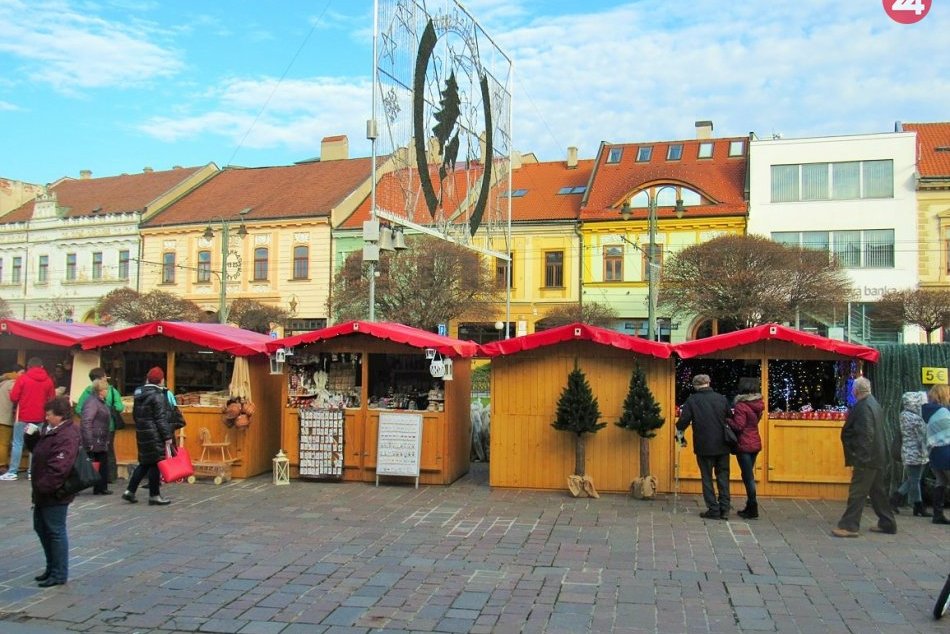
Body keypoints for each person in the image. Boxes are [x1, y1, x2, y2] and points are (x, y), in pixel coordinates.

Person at [24, 397, 80, 587]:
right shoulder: (50, 431)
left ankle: (59, 573)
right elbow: (40, 451)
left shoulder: (67, 435)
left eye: (49, 414)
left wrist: (44, 486)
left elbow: (60, 466)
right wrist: (31, 438)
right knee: (41, 528)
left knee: (55, 531)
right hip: (43, 490)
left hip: (55, 492)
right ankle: (51, 568)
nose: (46, 417)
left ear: (60, 415)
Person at [832, 376, 897, 537]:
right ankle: (887, 522)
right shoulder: (873, 404)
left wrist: (860, 457)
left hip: (867, 458)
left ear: (855, 391)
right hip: (877, 455)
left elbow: (866, 433)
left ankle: (849, 526)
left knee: (858, 491)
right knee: (877, 492)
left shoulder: (863, 407)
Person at [675, 374, 732, 520]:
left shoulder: (692, 400)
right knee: (723, 476)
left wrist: (679, 435)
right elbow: (729, 417)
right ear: (708, 383)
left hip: (703, 444)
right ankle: (725, 509)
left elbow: (683, 421)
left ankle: (713, 509)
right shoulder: (721, 398)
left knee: (707, 477)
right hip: (723, 444)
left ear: (695, 386)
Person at [122, 367, 173, 506]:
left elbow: (135, 415)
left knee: (145, 462)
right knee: (156, 462)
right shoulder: (158, 395)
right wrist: (167, 436)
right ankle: (154, 495)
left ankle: (130, 491)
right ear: (161, 380)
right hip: (155, 433)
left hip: (142, 432)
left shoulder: (139, 394)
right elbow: (160, 419)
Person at [2, 357, 56, 481]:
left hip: (22, 416)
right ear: (42, 367)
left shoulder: (23, 379)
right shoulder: (48, 381)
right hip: (40, 417)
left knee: (18, 443)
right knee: (35, 445)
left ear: (28, 367)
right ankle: (32, 472)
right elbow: (52, 400)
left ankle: (13, 472)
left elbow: (14, 397)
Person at [74, 368, 124, 483]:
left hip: (91, 429)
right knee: (108, 452)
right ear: (103, 377)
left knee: (91, 453)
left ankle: (90, 477)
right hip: (108, 427)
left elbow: (78, 409)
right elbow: (120, 407)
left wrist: (89, 418)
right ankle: (110, 477)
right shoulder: (111, 390)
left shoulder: (87, 391)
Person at [728, 377, 765, 519]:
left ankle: (752, 507)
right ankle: (750, 506)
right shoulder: (758, 404)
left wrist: (727, 419)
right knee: (748, 475)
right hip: (755, 442)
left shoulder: (741, 406)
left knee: (747, 476)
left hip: (744, 444)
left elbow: (739, 425)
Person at [892, 391, 930, 517]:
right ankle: (916, 506)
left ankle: (899, 502)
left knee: (913, 480)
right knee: (914, 480)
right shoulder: (916, 418)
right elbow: (922, 436)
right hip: (916, 453)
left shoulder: (904, 415)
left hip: (908, 451)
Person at [80, 378, 113, 495]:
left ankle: (101, 487)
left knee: (102, 462)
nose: (107, 391)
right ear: (100, 391)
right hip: (95, 437)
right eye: (106, 389)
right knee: (96, 462)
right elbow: (87, 421)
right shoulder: (93, 402)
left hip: (100, 437)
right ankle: (98, 487)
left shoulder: (99, 402)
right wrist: (89, 441)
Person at [925, 385, 950, 525]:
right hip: (947, 452)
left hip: (934, 453)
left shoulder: (928, 411)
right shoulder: (944, 412)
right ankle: (938, 514)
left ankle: (938, 514)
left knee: (941, 482)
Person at [0, 366, 25, 472]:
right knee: (3, 443)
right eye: (22, 372)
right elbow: (16, 397)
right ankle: (2, 466)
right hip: (5, 417)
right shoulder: (13, 383)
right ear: (15, 372)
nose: (23, 375)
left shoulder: (3, 383)